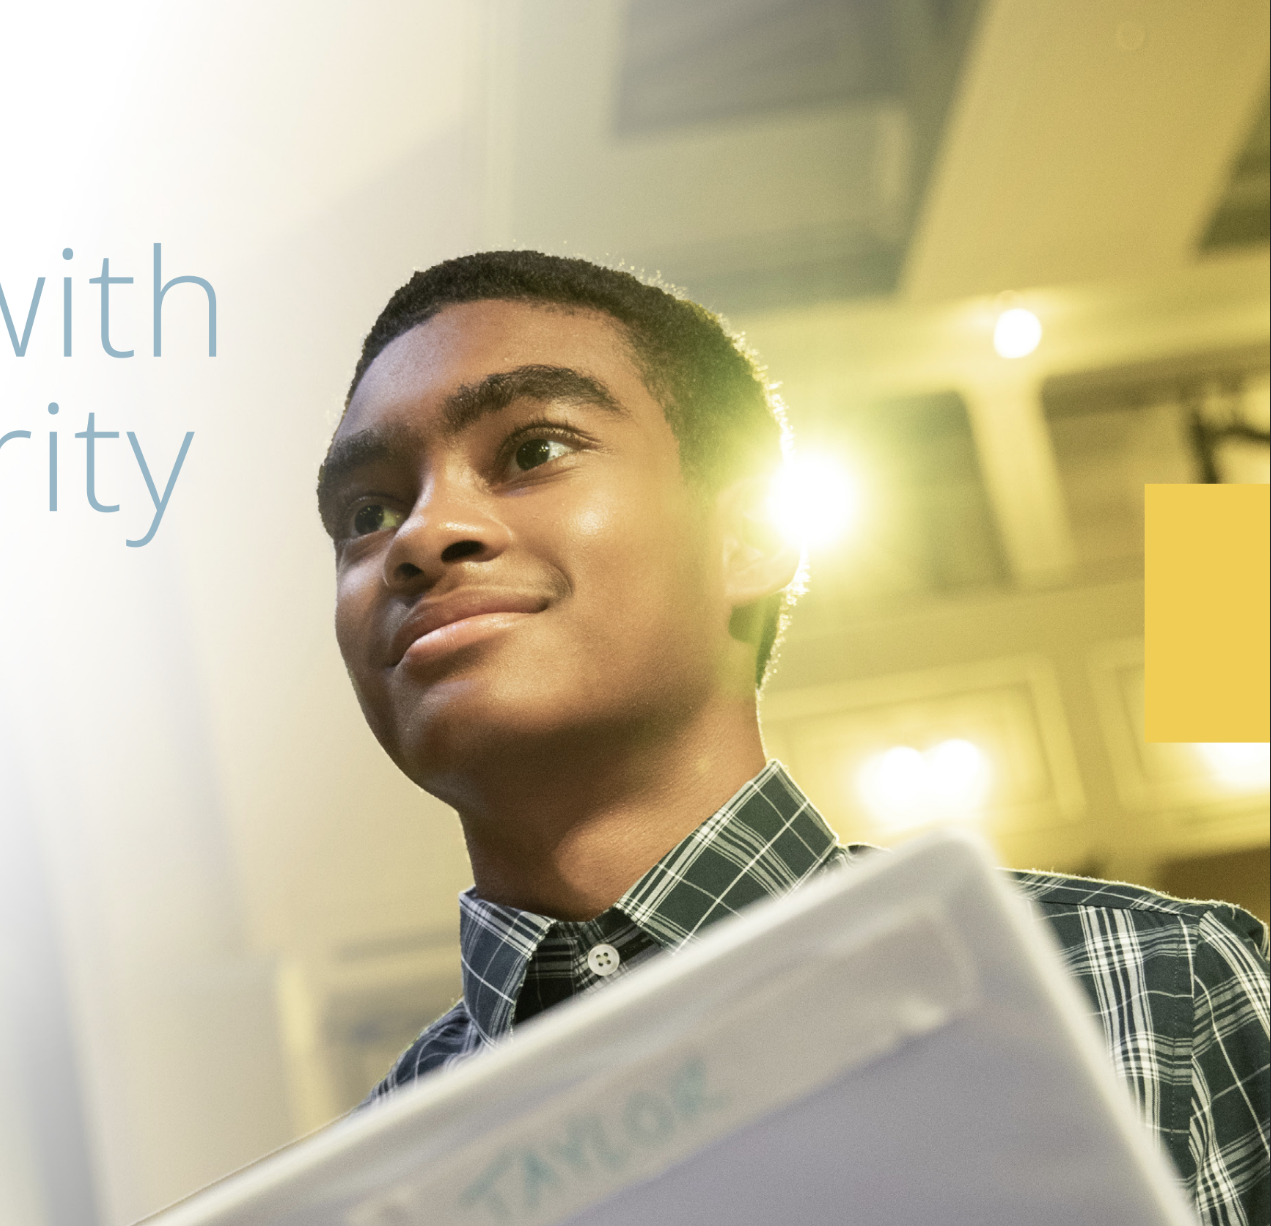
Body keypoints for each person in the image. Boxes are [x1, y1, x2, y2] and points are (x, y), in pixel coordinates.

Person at [315, 251, 1269, 1224]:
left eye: (533, 451)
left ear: (750, 534)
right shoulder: (363, 1199)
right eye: (368, 511)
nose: (422, 535)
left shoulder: (1155, 982)